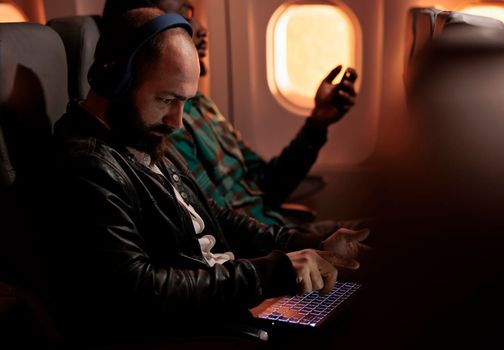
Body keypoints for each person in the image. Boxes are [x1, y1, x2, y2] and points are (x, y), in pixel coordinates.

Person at [49, 7, 370, 346]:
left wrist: (309, 246)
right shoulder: (87, 165)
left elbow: (213, 216)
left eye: (184, 102)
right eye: (166, 100)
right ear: (114, 79)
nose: (177, 122)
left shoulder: (139, 136)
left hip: (231, 296)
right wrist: (274, 272)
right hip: (209, 327)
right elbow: (141, 290)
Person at [102, 0, 361, 236]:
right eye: (183, 15)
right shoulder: (157, 126)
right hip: (261, 246)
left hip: (278, 230)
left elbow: (264, 184)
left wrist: (317, 124)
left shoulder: (202, 105)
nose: (201, 28)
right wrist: (293, 251)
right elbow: (212, 225)